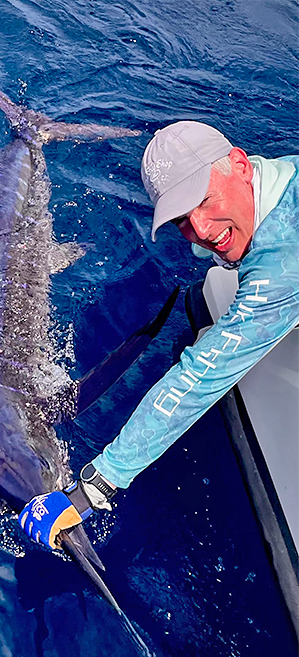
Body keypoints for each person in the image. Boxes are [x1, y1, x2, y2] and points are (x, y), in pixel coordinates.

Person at [19, 120, 299, 550]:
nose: (202, 231)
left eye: (204, 201)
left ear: (241, 165)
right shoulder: (280, 178)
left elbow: (203, 375)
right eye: (183, 219)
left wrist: (94, 488)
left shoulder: (282, 264)